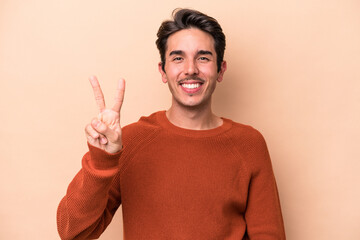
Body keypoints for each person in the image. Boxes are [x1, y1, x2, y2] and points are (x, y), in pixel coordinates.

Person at [57, 8, 286, 240]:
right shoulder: (130, 142)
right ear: (163, 70)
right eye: (178, 58)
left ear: (220, 70)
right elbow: (73, 232)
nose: (190, 69)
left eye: (203, 58)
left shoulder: (249, 144)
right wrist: (102, 161)